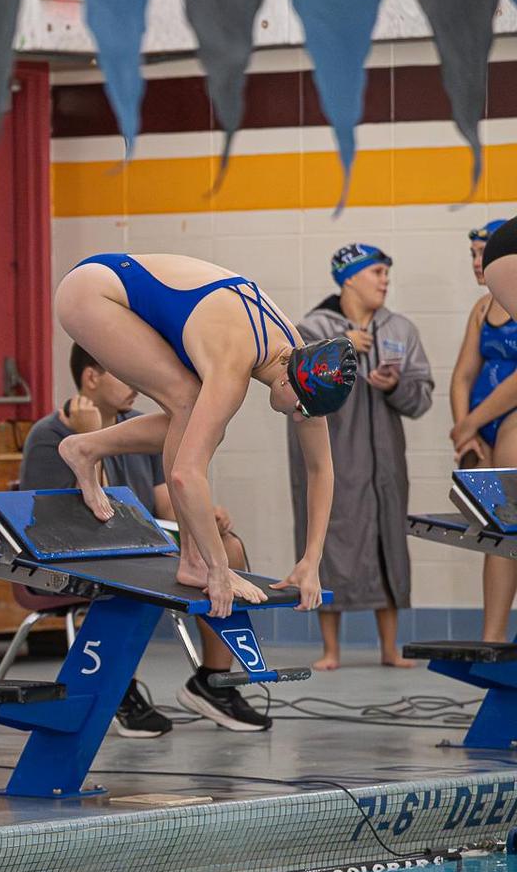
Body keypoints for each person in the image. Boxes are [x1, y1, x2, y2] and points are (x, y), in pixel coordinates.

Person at [52, 253, 356, 618]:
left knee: (197, 417)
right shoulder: (234, 363)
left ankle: (86, 448)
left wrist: (311, 559)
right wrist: (217, 568)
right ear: (289, 378)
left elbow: (321, 469)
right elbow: (185, 475)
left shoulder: (299, 359)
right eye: (302, 408)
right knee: (187, 402)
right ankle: (192, 560)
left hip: (121, 288)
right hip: (92, 292)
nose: (299, 417)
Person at [22, 344, 267, 732]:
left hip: (142, 545)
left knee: (227, 548)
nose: (138, 382)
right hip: (79, 554)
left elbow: (164, 500)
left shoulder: (142, 425)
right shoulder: (50, 434)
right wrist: (90, 435)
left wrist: (204, 519)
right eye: (124, 370)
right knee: (128, 578)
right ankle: (117, 688)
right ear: (91, 377)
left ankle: (212, 682)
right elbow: (75, 519)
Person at [287, 245, 433, 670]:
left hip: (384, 460)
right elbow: (292, 384)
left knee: (388, 542)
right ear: (348, 277)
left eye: (387, 272)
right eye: (377, 272)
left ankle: (389, 648)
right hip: (334, 457)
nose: (385, 280)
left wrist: (392, 385)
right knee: (330, 539)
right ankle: (330, 650)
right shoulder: (310, 327)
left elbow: (421, 396)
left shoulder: (400, 329)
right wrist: (339, 349)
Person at [452, 217, 517, 643]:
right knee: (497, 534)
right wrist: (464, 430)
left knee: (514, 523)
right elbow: (461, 375)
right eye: (474, 254)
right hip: (478, 429)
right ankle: (491, 641)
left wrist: (470, 423)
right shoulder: (481, 309)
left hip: (510, 419)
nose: (478, 263)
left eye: (483, 254)